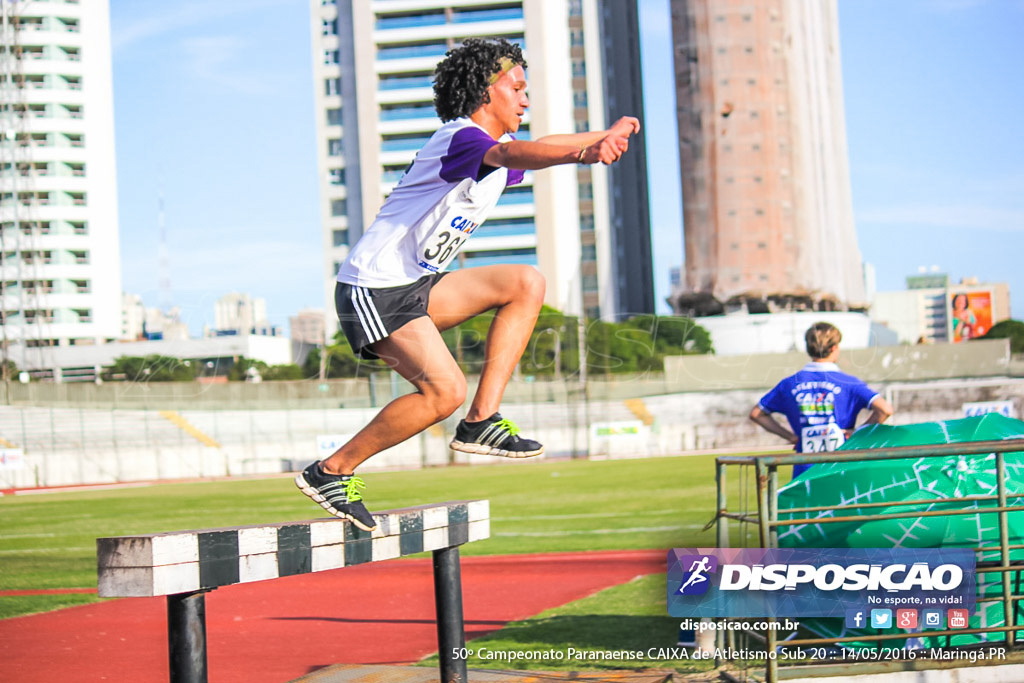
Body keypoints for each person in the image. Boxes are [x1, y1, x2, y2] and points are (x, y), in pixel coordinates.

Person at [295, 38, 640, 530]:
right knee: (442, 392)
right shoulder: (461, 140)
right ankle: (331, 470)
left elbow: (543, 143)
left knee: (525, 282)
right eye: (517, 88)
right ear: (484, 91)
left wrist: (604, 134)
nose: (526, 99)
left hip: (416, 285)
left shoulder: (493, 159)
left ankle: (482, 422)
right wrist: (583, 154)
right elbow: (520, 149)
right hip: (372, 289)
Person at [749, 322, 894, 478]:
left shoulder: (789, 384)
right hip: (841, 468)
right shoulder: (848, 382)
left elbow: (757, 414)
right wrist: (858, 433)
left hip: (805, 471)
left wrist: (790, 437)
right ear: (833, 348)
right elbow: (885, 410)